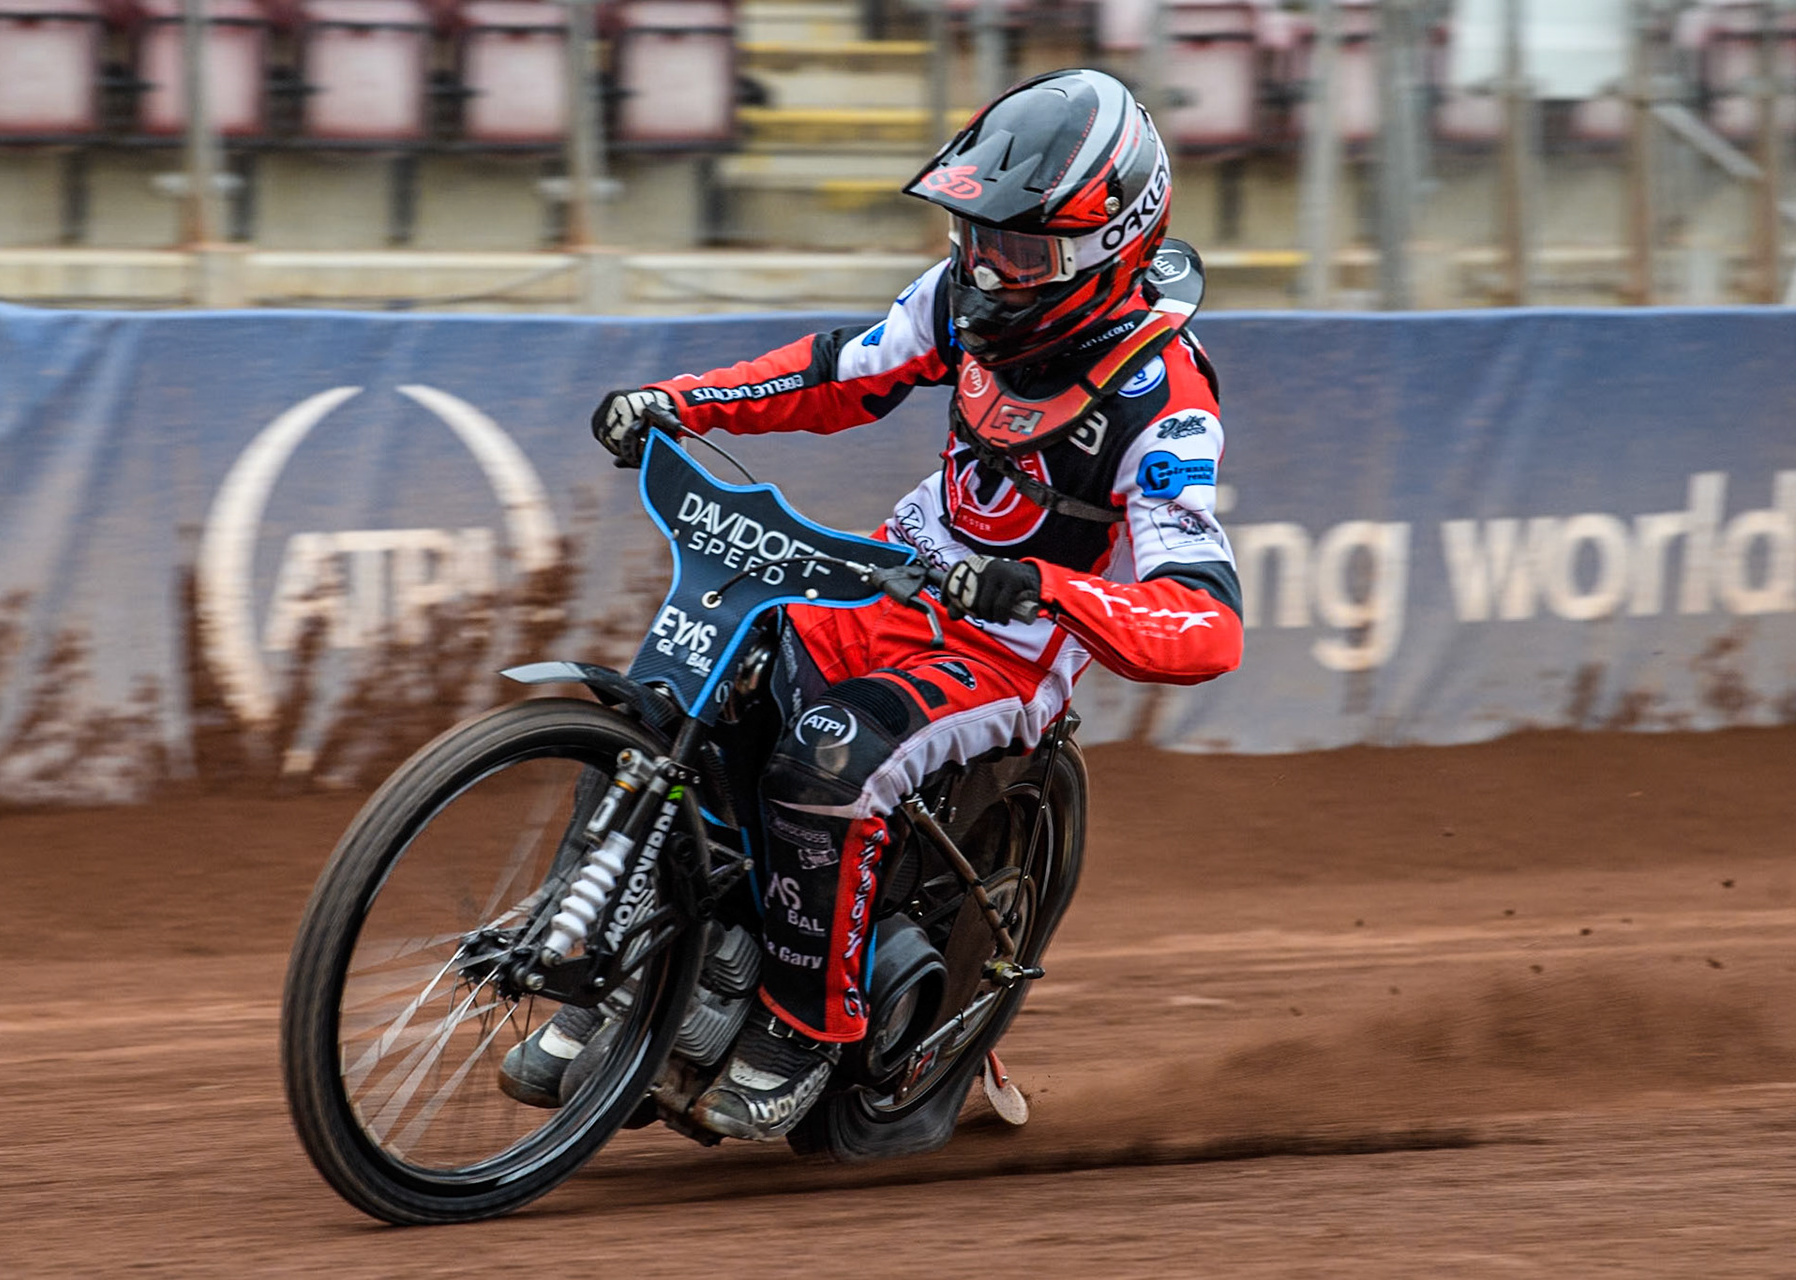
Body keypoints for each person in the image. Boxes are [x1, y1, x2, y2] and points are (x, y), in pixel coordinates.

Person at [503, 68, 1243, 1140]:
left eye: (1019, 250)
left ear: (1107, 248)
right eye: (974, 236)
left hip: (1010, 647)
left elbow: (1205, 623)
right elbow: (840, 374)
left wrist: (1042, 584)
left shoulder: (1164, 396)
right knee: (691, 685)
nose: (985, 268)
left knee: (832, 755)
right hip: (894, 576)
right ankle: (622, 959)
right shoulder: (960, 298)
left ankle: (804, 1028)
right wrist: (680, 402)